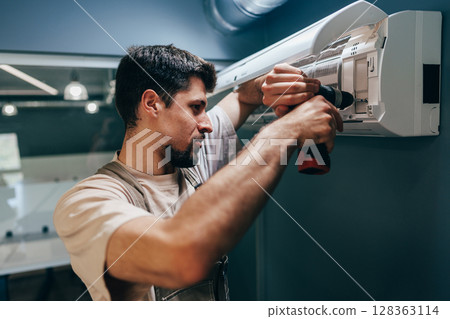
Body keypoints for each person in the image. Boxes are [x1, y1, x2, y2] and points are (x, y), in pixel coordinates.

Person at [54, 44, 342, 301]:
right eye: (195, 107)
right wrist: (286, 130)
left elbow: (242, 98)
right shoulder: (87, 203)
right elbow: (180, 255)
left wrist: (267, 86)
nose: (207, 124)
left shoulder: (193, 161)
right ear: (152, 104)